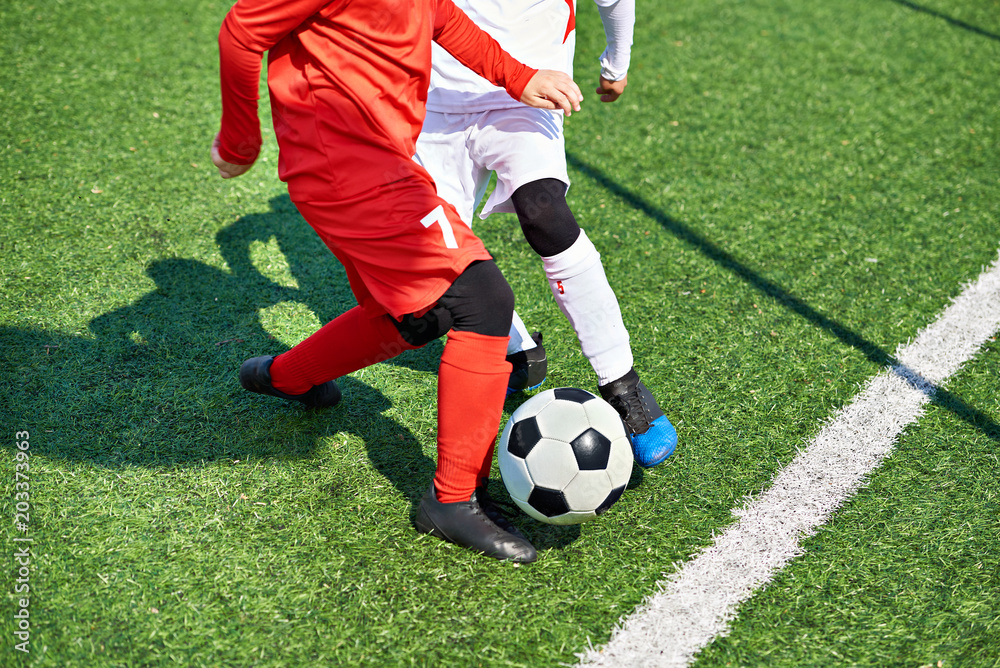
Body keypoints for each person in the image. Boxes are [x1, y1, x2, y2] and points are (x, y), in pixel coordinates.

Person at [210, 0, 583, 563]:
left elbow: (442, 16)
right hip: (348, 168)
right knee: (482, 299)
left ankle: (286, 378)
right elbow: (242, 30)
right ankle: (452, 501)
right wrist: (241, 144)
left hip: (382, 162)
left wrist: (519, 76)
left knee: (419, 315)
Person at [414, 0, 677, 468]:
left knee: (544, 214)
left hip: (526, 99)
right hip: (432, 102)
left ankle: (623, 384)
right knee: (434, 258)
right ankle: (518, 349)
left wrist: (616, 63)